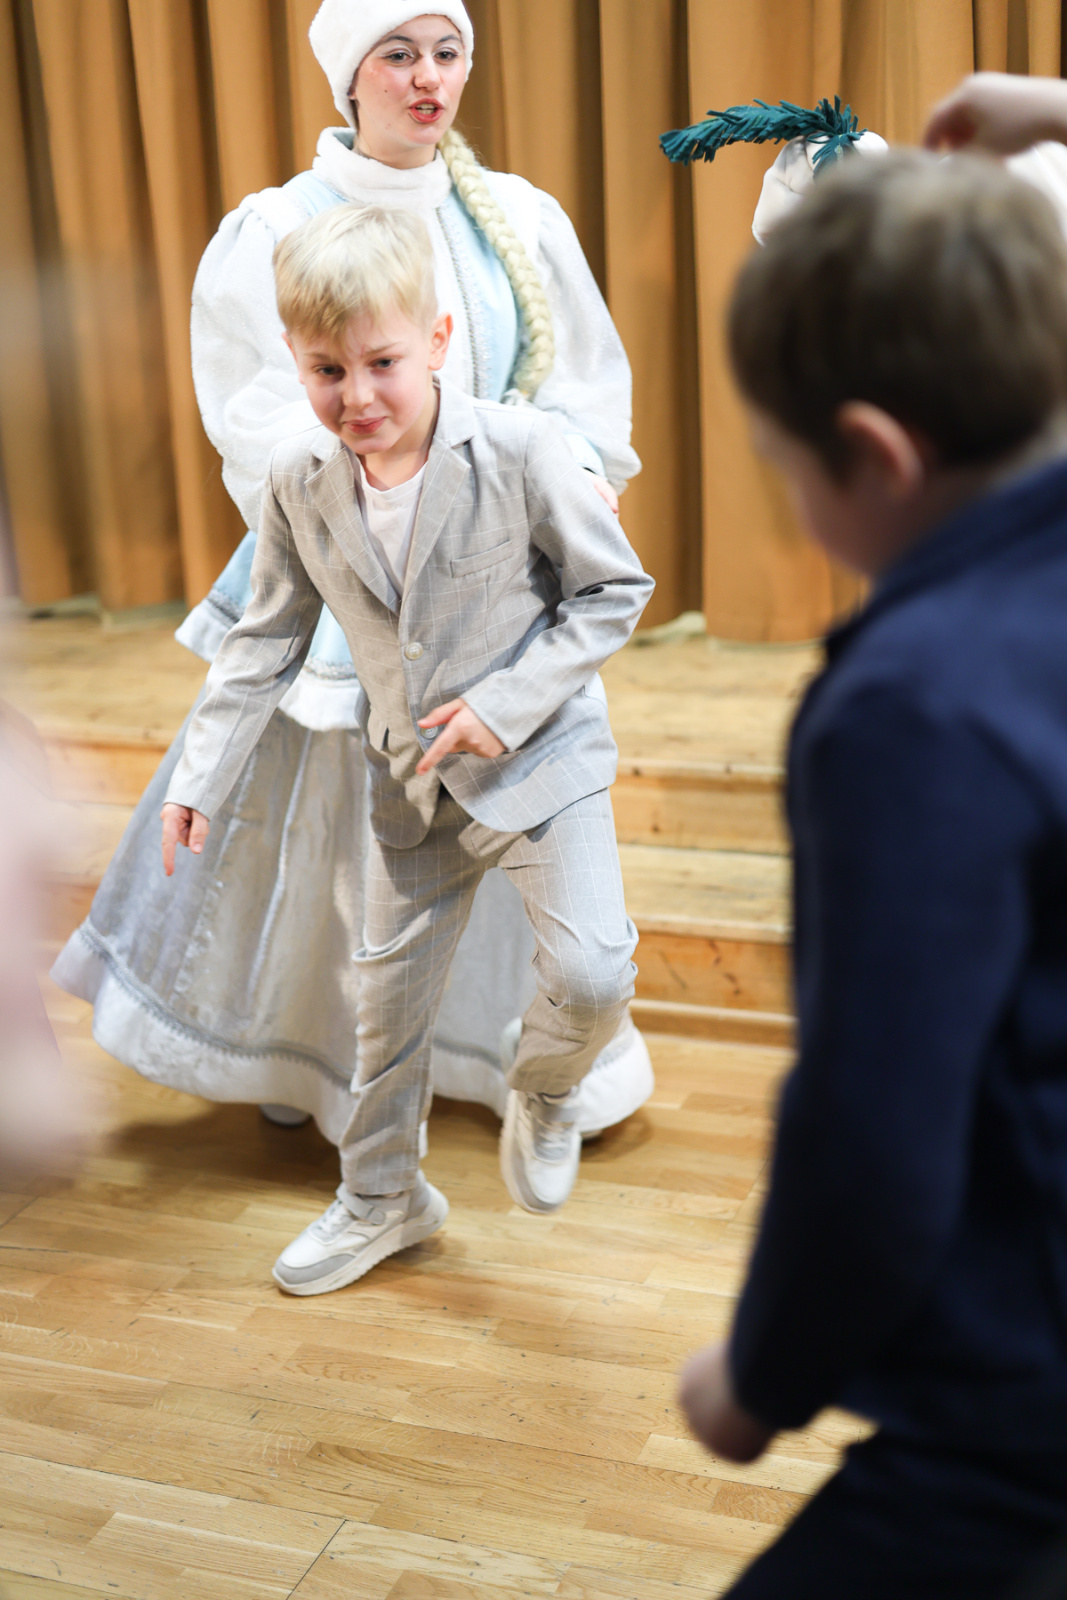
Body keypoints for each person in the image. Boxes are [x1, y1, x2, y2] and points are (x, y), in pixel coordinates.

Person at [51, 0, 653, 1148]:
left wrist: (568, 470)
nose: (428, 78)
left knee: (501, 801)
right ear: (349, 74)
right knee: (339, 832)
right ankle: (307, 1048)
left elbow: (579, 383)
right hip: (349, 575)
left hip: (489, 586)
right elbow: (254, 409)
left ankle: (496, 1057)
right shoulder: (277, 224)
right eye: (399, 54)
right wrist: (378, 492)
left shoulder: (519, 218)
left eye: (447, 52)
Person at [678, 151, 1067, 1598]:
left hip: (1022, 1402)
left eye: (785, 474)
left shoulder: (907, 711)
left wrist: (758, 1379)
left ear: (874, 456)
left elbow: (870, 1137)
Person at [162, 202, 653, 1294]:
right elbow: (265, 640)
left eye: (381, 363)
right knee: (383, 1012)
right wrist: (199, 779)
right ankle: (382, 1198)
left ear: (435, 341)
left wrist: (504, 706)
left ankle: (546, 1085)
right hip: (410, 782)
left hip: (541, 763)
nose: (357, 397)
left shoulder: (522, 450)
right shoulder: (299, 479)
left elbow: (614, 590)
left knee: (590, 971)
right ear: (294, 360)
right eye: (325, 370)